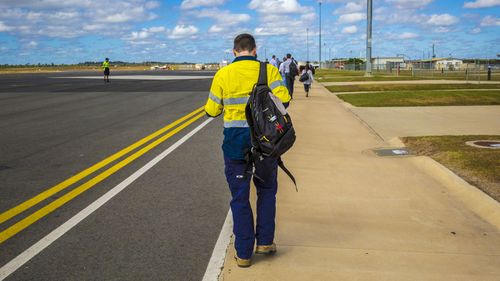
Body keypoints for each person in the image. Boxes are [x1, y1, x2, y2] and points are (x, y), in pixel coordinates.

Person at [204, 33, 291, 268]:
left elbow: (211, 111)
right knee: (267, 190)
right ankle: (265, 241)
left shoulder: (223, 74)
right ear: (255, 50)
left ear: (234, 52)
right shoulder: (269, 71)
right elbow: (285, 101)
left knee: (240, 197)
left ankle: (243, 253)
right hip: (264, 143)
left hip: (235, 144)